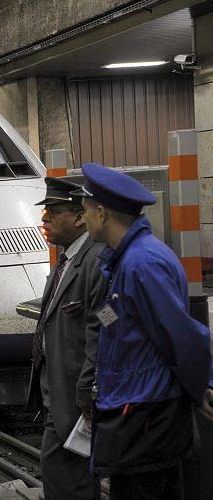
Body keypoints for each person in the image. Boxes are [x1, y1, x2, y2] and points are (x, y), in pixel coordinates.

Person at [72, 163, 213, 499]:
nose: (83, 219)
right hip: (137, 410)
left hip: (145, 416)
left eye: (85, 211)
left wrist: (204, 385)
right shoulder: (127, 260)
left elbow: (179, 336)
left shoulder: (142, 264)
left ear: (102, 213)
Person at [27, 177, 106, 499]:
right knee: (60, 471)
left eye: (52, 211)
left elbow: (97, 332)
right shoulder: (66, 259)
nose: (44, 219)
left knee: (69, 475)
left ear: (78, 217)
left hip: (74, 393)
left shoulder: (94, 262)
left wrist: (87, 389)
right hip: (55, 386)